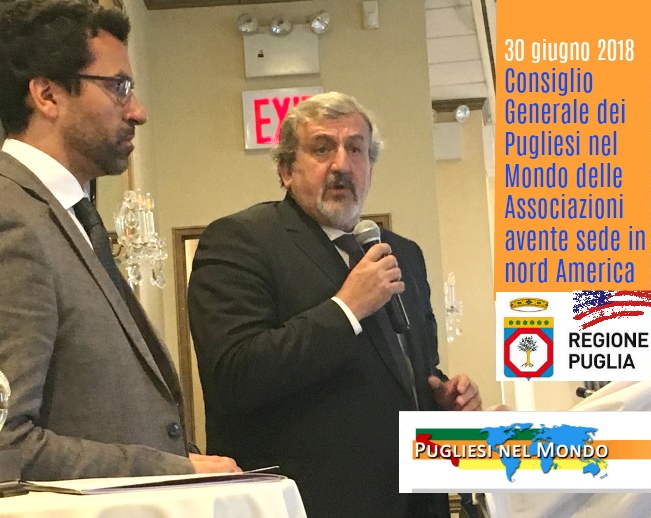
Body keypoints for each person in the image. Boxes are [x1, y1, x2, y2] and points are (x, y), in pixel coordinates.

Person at [0, 0, 237, 481]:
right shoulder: (2, 221)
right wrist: (171, 469)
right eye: (119, 87)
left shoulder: (65, 215)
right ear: (47, 95)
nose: (138, 112)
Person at [187, 92, 481, 518]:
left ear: (370, 167)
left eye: (356, 149)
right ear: (286, 170)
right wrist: (346, 309)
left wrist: (443, 398)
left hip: (413, 503)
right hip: (307, 505)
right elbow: (235, 375)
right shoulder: (239, 241)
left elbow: (406, 371)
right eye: (322, 148)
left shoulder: (402, 252)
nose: (342, 164)